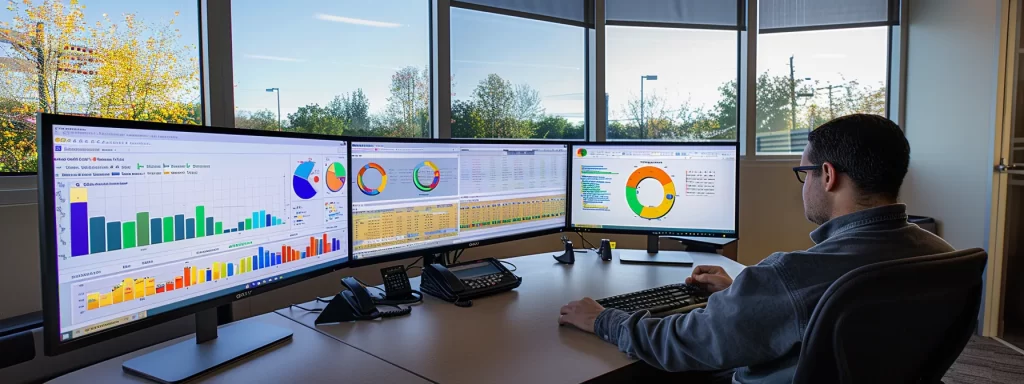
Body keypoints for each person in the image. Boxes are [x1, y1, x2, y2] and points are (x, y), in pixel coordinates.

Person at [557, 114, 954, 383]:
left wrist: (602, 318)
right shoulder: (942, 255)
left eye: (805, 174)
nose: (805, 185)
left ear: (828, 176)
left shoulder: (791, 275)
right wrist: (745, 290)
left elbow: (682, 344)